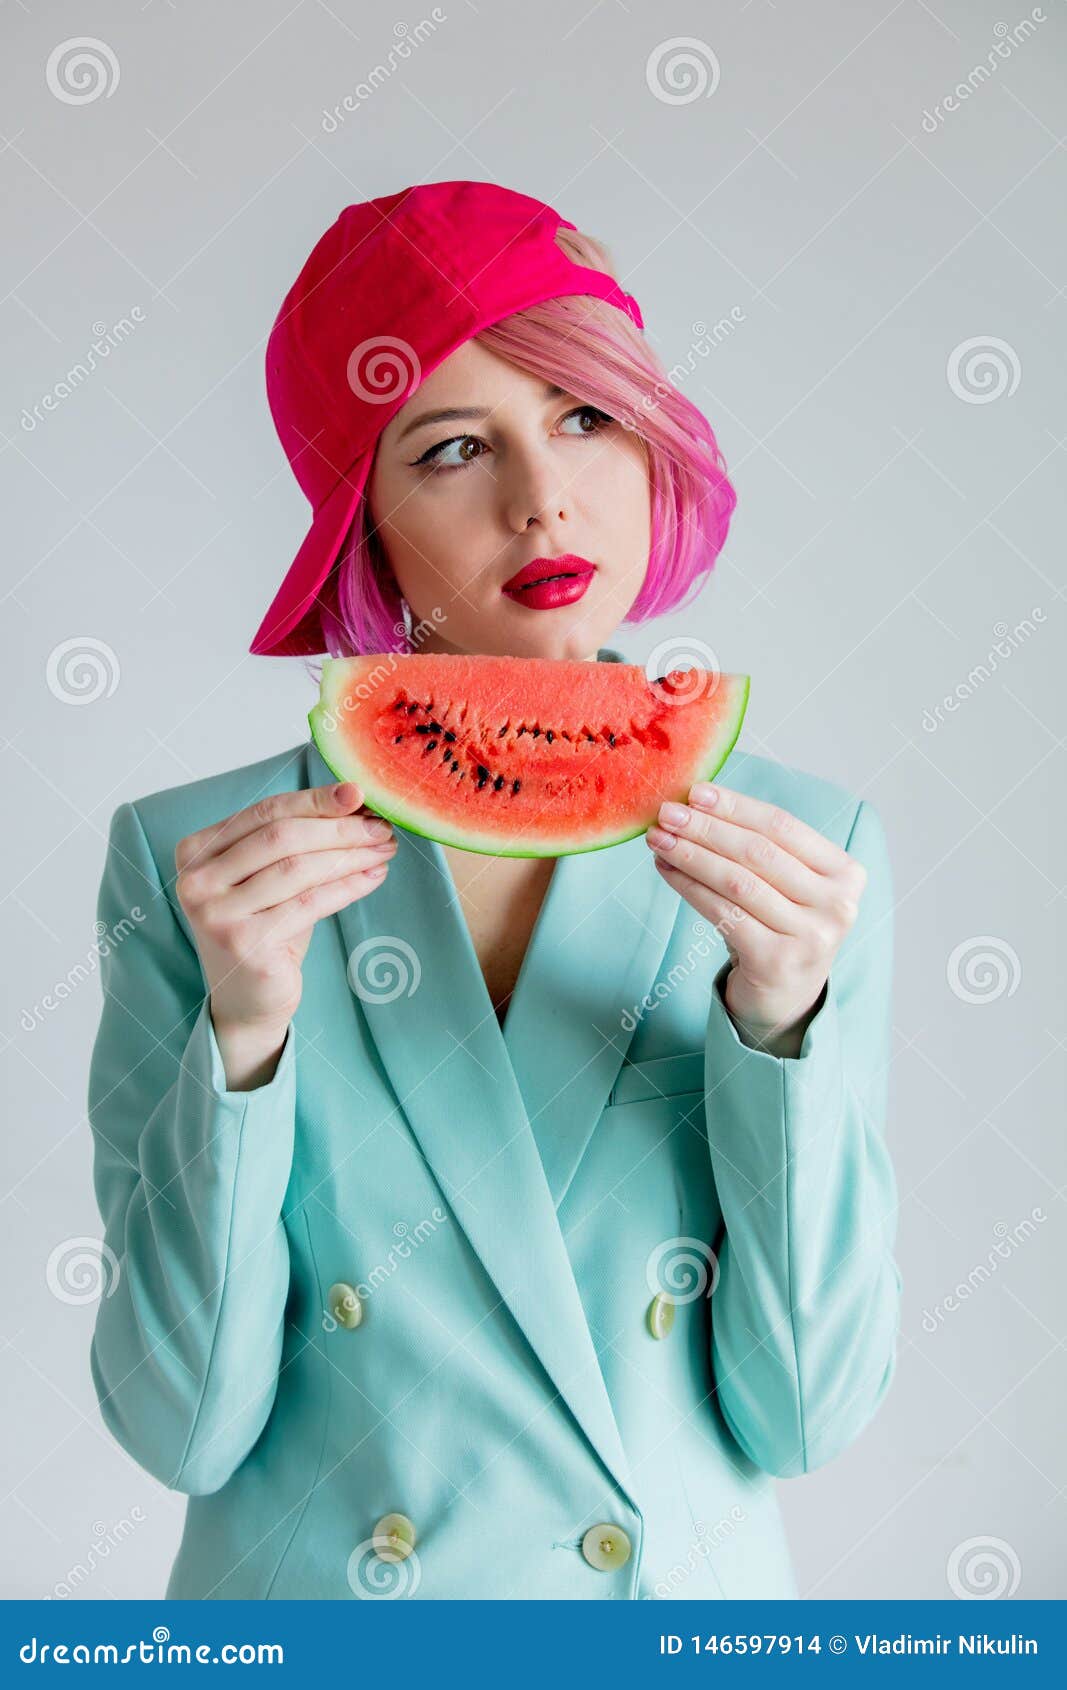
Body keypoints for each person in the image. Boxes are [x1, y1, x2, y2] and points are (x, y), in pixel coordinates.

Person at [86, 180, 901, 1601]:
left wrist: (780, 1031)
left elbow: (810, 1414)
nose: (544, 496)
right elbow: (183, 1430)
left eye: (585, 415)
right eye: (454, 447)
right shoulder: (201, 863)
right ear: (366, 526)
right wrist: (246, 1041)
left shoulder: (804, 854)